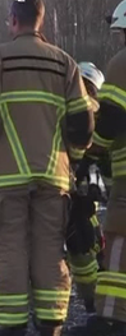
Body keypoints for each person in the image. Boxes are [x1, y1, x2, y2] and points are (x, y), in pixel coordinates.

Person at [0, 0, 95, 336]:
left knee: (9, 247)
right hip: (54, 175)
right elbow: (83, 122)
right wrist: (74, 158)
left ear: (12, 20)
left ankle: (12, 324)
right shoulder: (64, 63)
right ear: (41, 21)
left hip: (7, 177)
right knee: (51, 247)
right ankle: (52, 325)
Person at [75, 0, 126, 336]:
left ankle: (112, 315)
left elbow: (112, 119)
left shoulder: (123, 62)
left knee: (119, 240)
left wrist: (91, 153)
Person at [66, 61, 107, 313]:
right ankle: (92, 297)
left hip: (77, 188)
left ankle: (93, 297)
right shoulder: (87, 109)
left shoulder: (84, 109)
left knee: (83, 241)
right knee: (84, 240)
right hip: (73, 186)